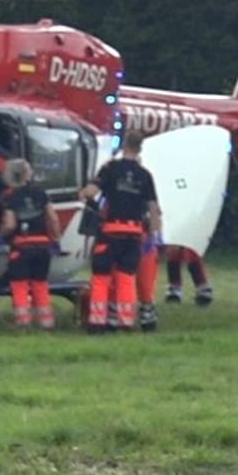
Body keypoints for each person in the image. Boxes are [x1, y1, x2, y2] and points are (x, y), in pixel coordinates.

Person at [78, 129, 161, 333]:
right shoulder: (145, 175)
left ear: (124, 145)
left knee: (101, 276)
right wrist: (155, 236)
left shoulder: (110, 168)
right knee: (126, 277)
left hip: (110, 230)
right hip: (134, 233)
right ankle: (126, 321)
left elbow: (91, 192)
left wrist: (84, 191)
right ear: (140, 148)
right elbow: (153, 209)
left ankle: (97, 321)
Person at [0, 158, 62, 328]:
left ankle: (23, 323)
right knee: (40, 284)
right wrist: (56, 239)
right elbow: (53, 219)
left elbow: (10, 224)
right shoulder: (41, 193)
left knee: (19, 285)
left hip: (21, 247)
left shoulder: (10, 196)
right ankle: (46, 322)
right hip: (42, 246)